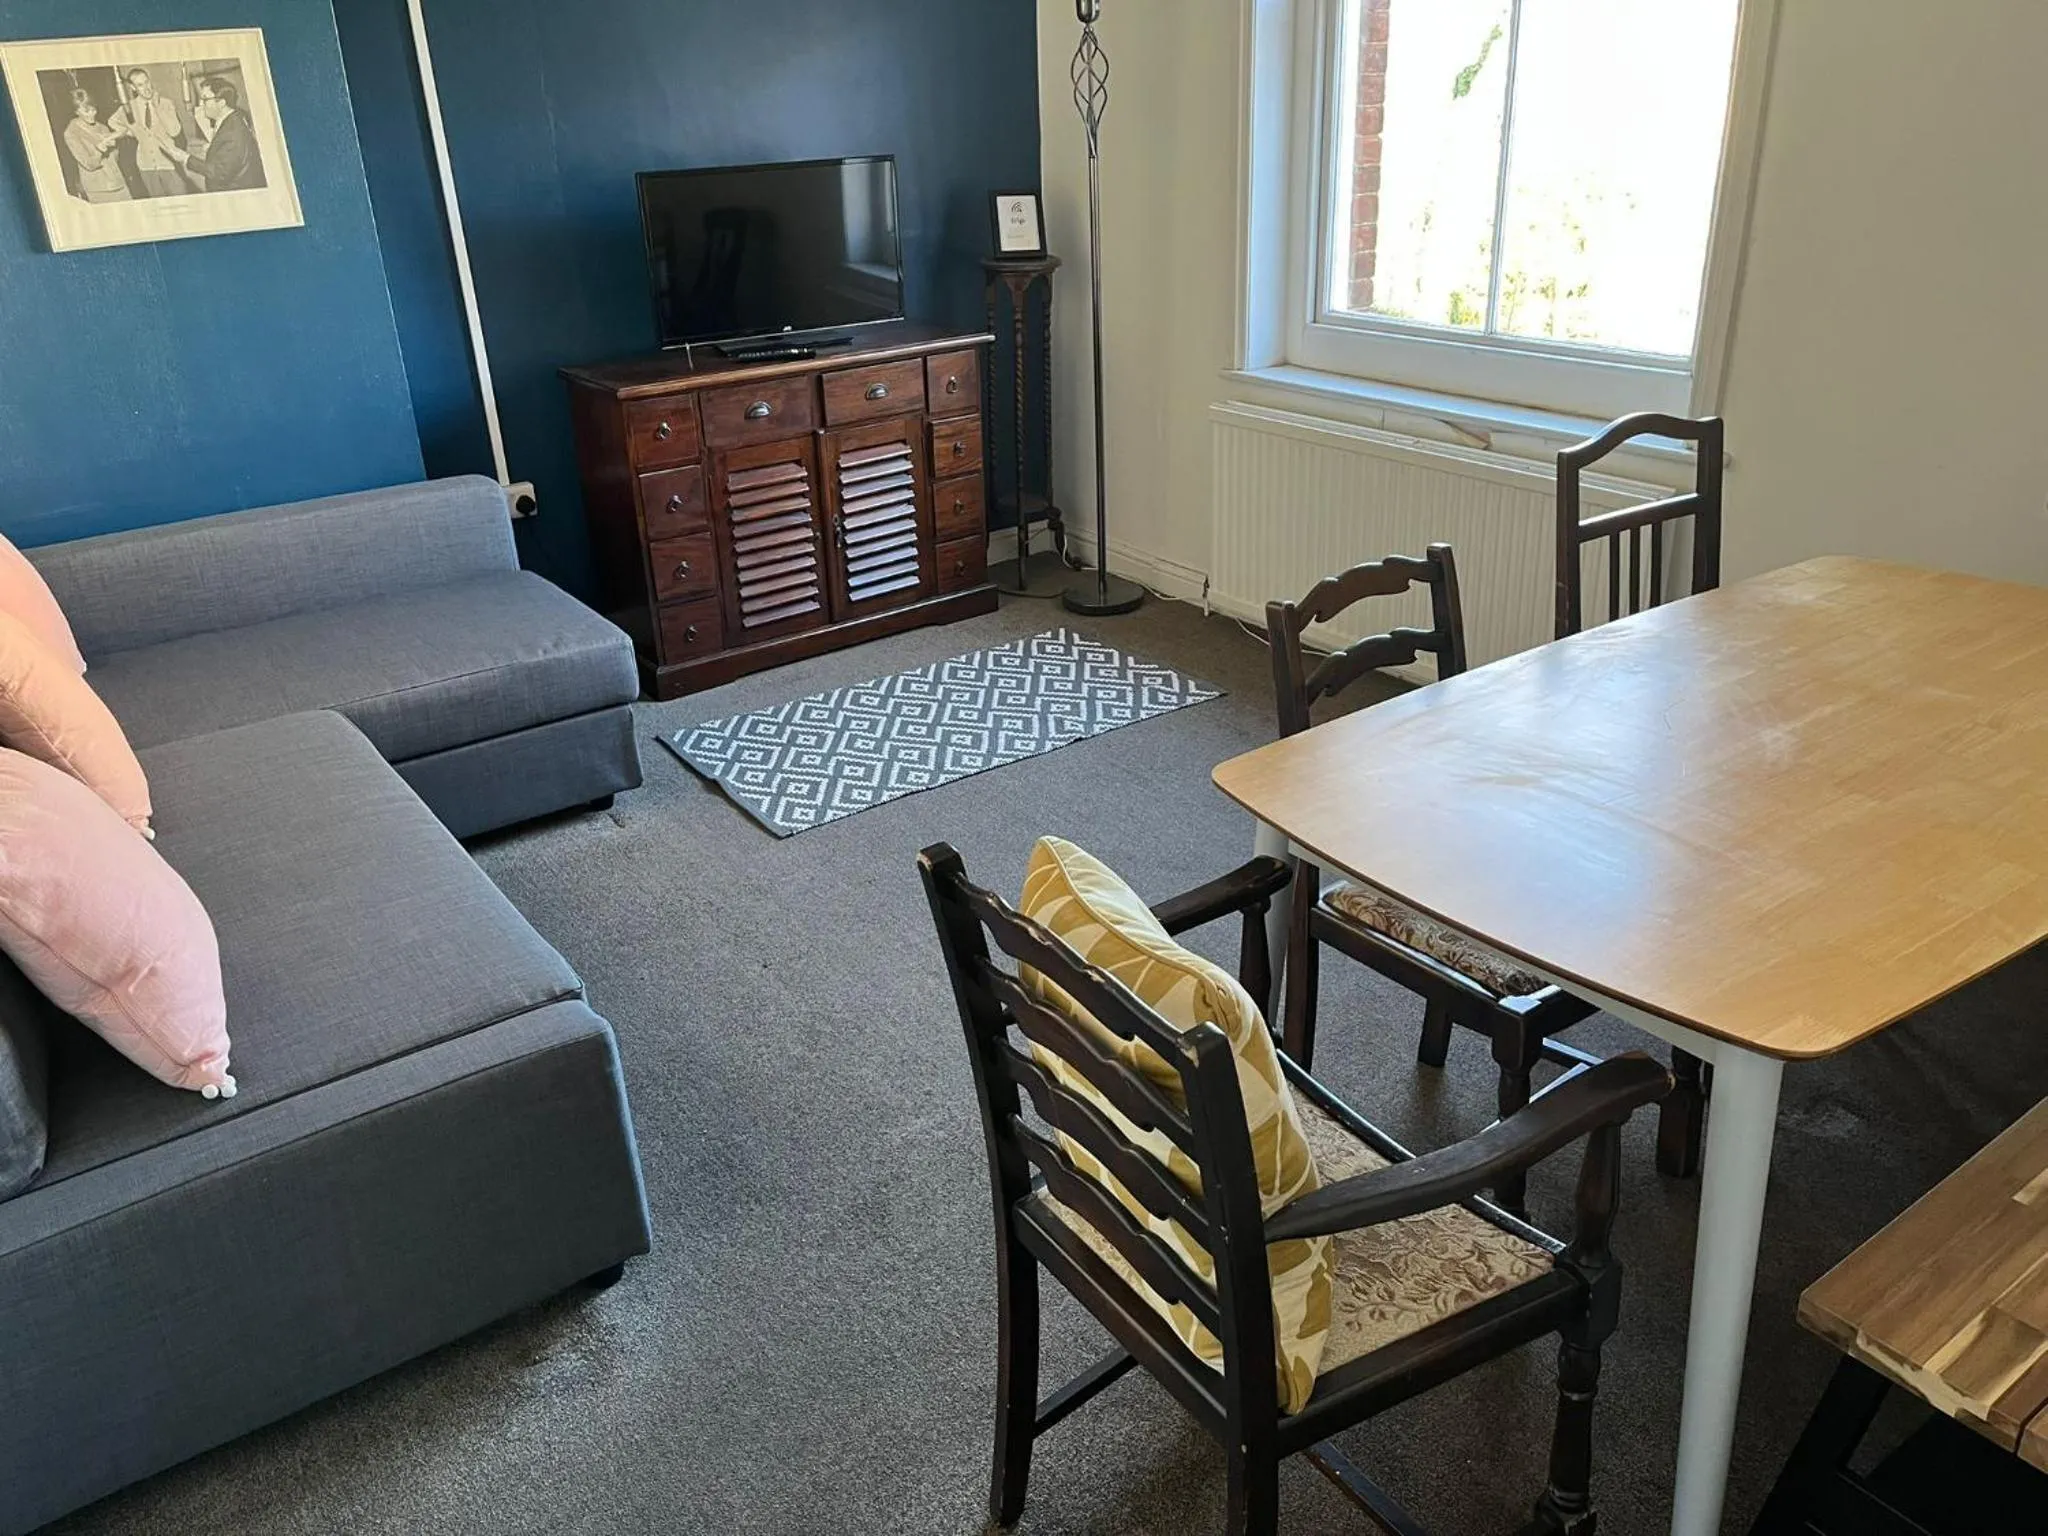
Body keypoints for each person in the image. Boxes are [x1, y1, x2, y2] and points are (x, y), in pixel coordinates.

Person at [164, 76, 264, 193]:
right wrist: (213, 147)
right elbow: (229, 150)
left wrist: (185, 158)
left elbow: (218, 173)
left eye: (205, 99)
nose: (201, 105)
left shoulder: (233, 132)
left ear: (221, 103)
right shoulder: (233, 118)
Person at [109, 67, 185, 198]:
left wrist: (157, 107)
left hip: (169, 163)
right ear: (133, 88)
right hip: (146, 166)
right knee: (158, 203)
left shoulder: (165, 103)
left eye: (147, 82)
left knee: (181, 200)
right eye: (140, 85)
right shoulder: (129, 107)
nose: (146, 88)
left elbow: (174, 131)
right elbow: (112, 121)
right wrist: (130, 132)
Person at [60, 89, 131, 203]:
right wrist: (100, 150)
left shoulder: (102, 127)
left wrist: (113, 148)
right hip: (99, 189)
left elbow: (115, 158)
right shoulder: (71, 133)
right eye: (86, 111)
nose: (92, 114)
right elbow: (89, 164)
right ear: (76, 111)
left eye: (94, 109)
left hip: (119, 183)